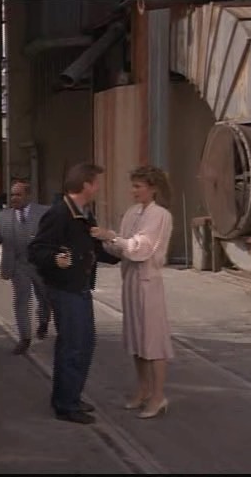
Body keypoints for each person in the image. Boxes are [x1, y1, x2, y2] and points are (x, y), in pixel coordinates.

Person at [28, 162, 120, 425]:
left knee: (85, 343)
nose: (98, 188)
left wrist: (122, 252)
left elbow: (93, 248)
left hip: (80, 287)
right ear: (86, 185)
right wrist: (55, 259)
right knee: (72, 345)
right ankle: (65, 405)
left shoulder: (84, 214)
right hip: (65, 289)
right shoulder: (59, 214)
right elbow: (36, 249)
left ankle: (72, 395)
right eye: (96, 183)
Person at [90, 165, 174, 419]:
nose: (133, 191)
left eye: (138, 186)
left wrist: (113, 237)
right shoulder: (132, 213)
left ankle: (158, 396)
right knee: (137, 338)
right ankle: (143, 389)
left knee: (153, 339)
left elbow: (141, 248)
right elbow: (122, 248)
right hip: (130, 280)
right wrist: (106, 240)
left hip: (148, 281)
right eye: (133, 186)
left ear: (153, 188)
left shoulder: (160, 215)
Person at [0, 181, 51, 355]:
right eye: (12, 195)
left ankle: (44, 320)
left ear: (28, 196)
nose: (14, 198)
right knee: (21, 301)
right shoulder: (4, 215)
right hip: (18, 265)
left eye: (18, 195)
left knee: (45, 298)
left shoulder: (43, 212)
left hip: (40, 265)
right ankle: (25, 338)